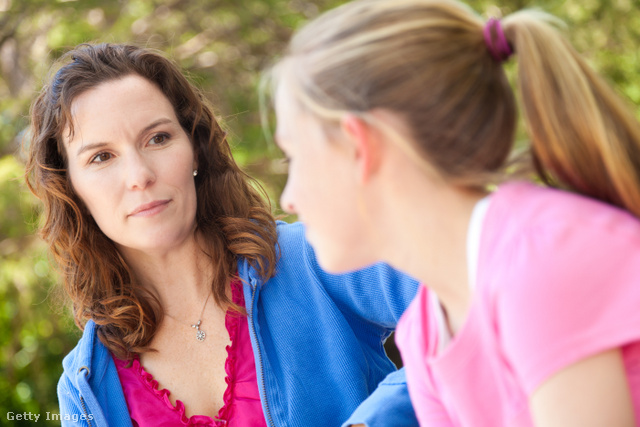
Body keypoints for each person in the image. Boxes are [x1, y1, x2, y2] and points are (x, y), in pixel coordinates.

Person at [268, 0, 640, 425]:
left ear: (359, 145)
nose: (288, 199)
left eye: (293, 157)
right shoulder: (427, 328)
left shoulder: (538, 261)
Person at [26, 43, 420, 427]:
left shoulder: (311, 258)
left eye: (158, 138)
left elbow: (468, 298)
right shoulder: (85, 388)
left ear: (194, 148)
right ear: (70, 187)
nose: (139, 175)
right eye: (101, 157)